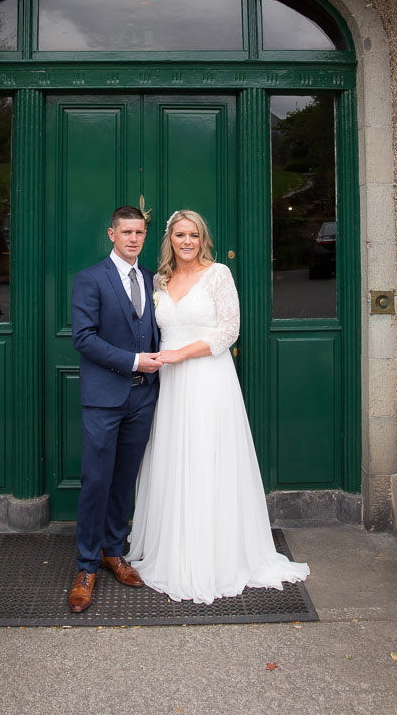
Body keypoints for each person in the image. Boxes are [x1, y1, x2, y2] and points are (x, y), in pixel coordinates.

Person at [128, 209, 310, 604]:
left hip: (208, 378)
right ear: (170, 240)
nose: (187, 241)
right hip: (171, 385)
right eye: (180, 235)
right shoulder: (159, 279)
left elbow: (229, 330)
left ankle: (216, 555)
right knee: (176, 459)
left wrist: (178, 355)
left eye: (194, 234)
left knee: (208, 457)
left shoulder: (218, 275)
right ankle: (176, 548)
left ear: (203, 238)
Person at [68, 205, 162, 613]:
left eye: (139, 232)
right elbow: (84, 339)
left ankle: (112, 552)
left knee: (124, 481)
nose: (133, 239)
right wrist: (134, 361)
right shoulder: (90, 279)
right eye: (126, 232)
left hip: (143, 398)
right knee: (96, 481)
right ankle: (86, 566)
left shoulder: (151, 279)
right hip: (104, 399)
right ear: (111, 234)